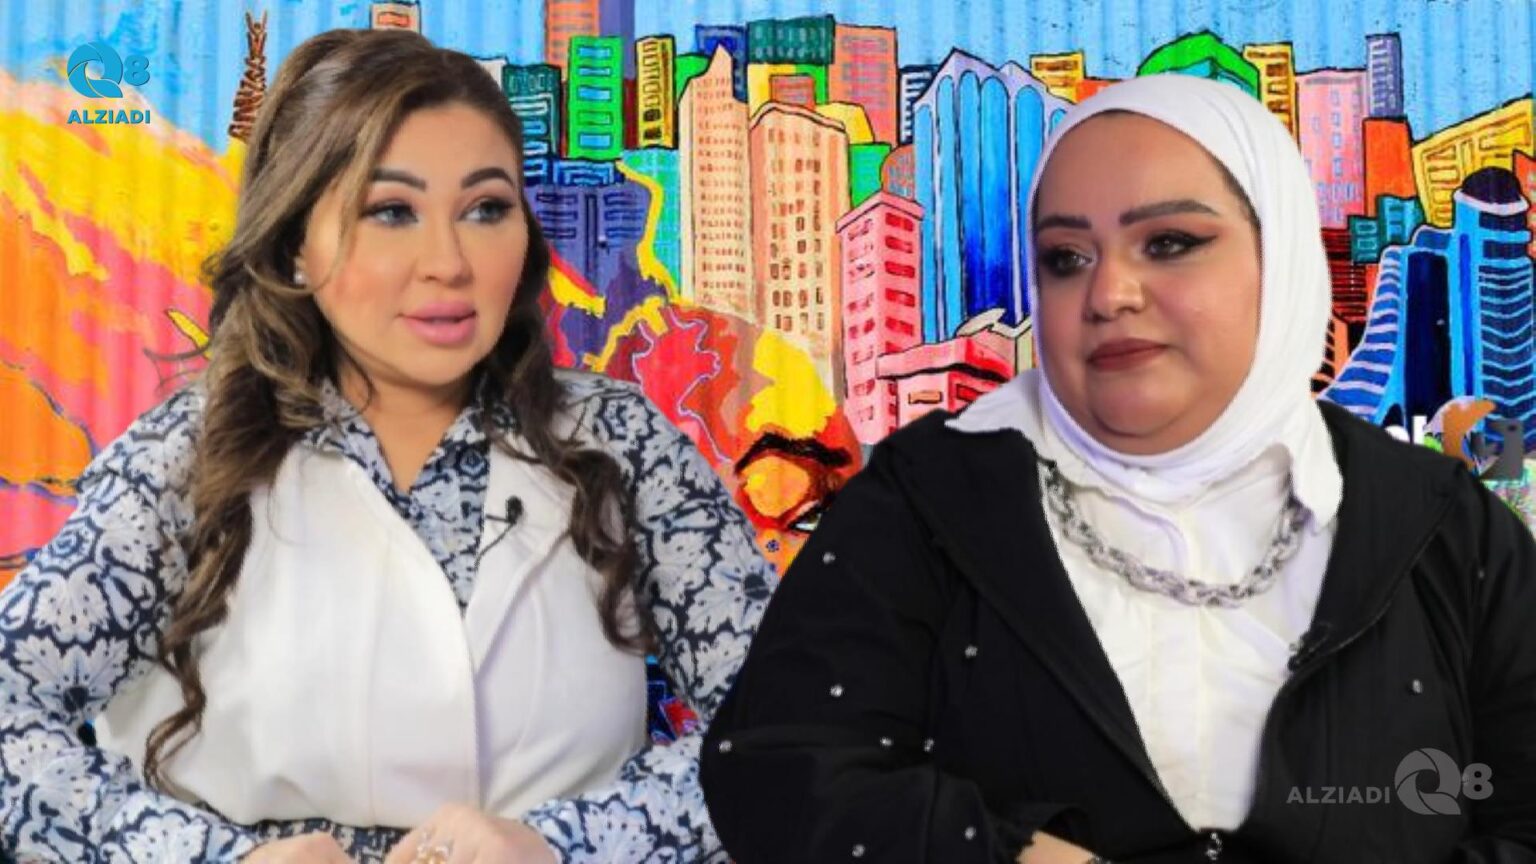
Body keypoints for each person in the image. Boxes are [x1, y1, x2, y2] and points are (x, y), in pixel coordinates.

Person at [699, 74, 1536, 863]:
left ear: (1278, 260)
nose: (1109, 295)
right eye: (1066, 258)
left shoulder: (1440, 522)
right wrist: (999, 852)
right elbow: (778, 767)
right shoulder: (924, 499)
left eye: (1169, 243)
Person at [0, 28, 774, 864]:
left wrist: (564, 846)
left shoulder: (620, 444)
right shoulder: (185, 459)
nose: (448, 262)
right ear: (296, 244)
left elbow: (788, 727)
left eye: (485, 209)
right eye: (391, 212)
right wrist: (217, 858)